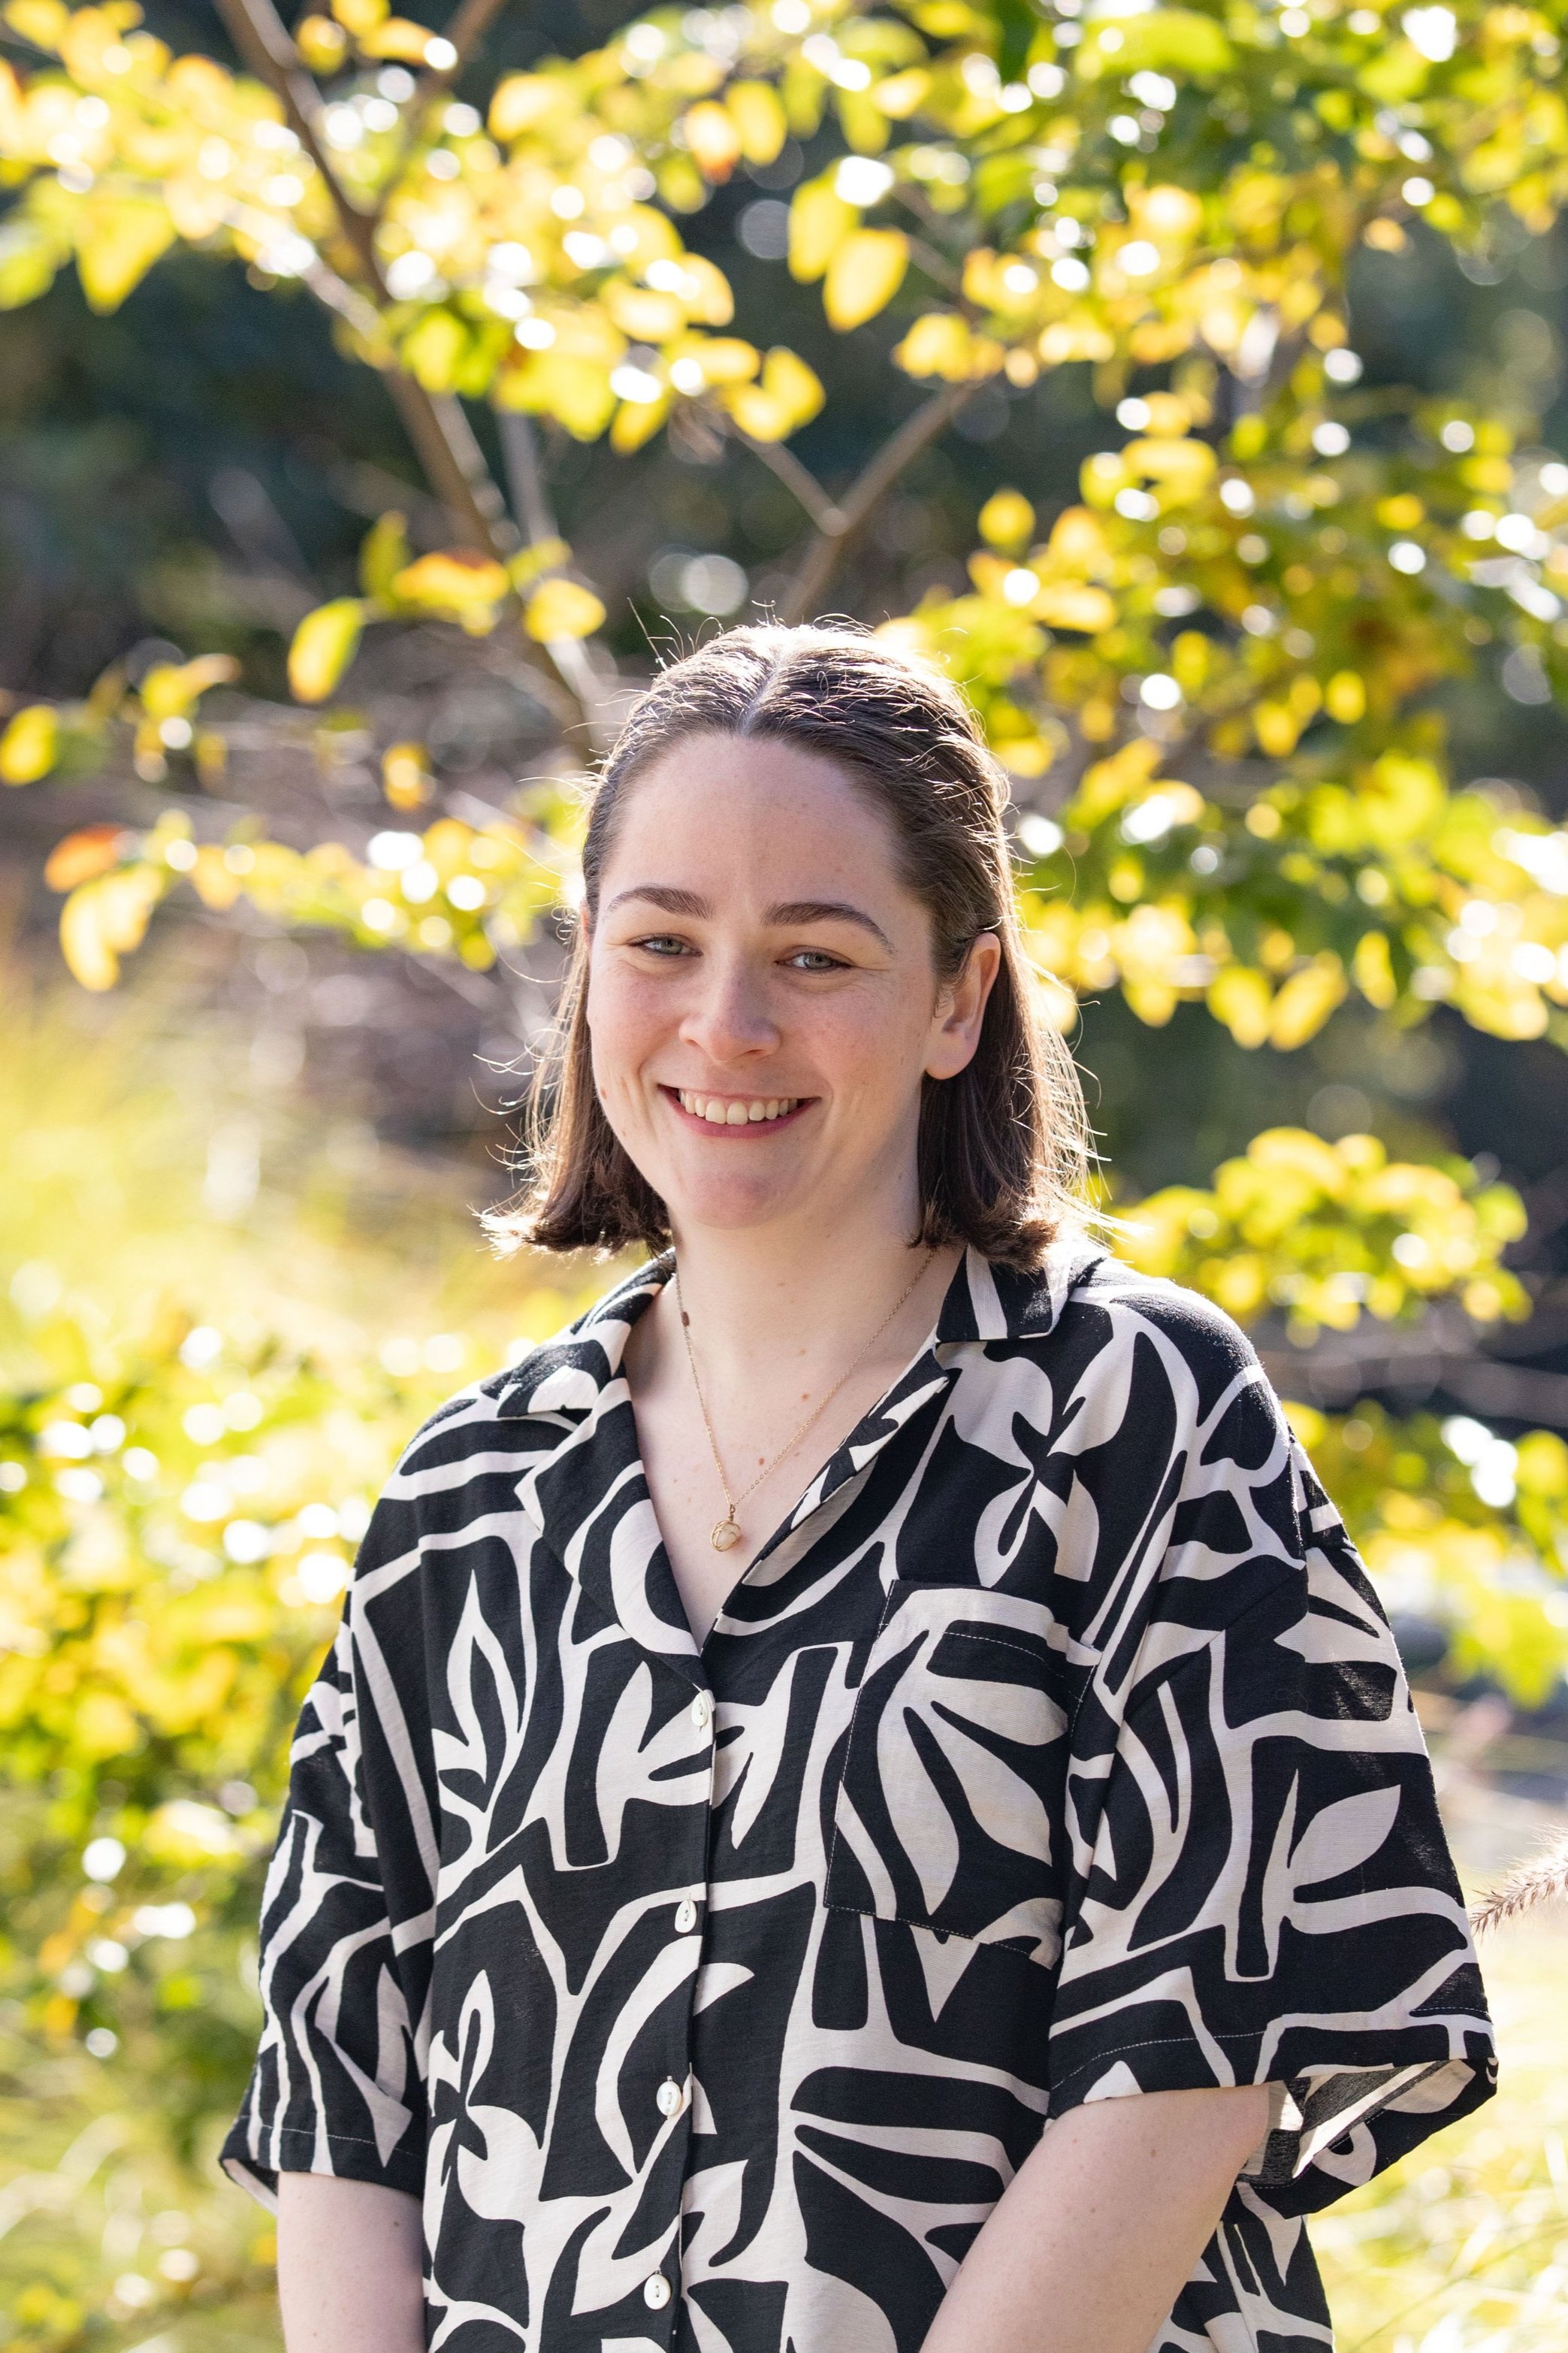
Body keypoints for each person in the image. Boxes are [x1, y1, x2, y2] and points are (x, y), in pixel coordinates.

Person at [223, 625, 1495, 2353]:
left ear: (960, 999)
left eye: (815, 956)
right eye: (662, 942)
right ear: (589, 965)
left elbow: (1196, 2049)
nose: (726, 1023)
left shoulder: (1131, 1419)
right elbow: (341, 2096)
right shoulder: (471, 1497)